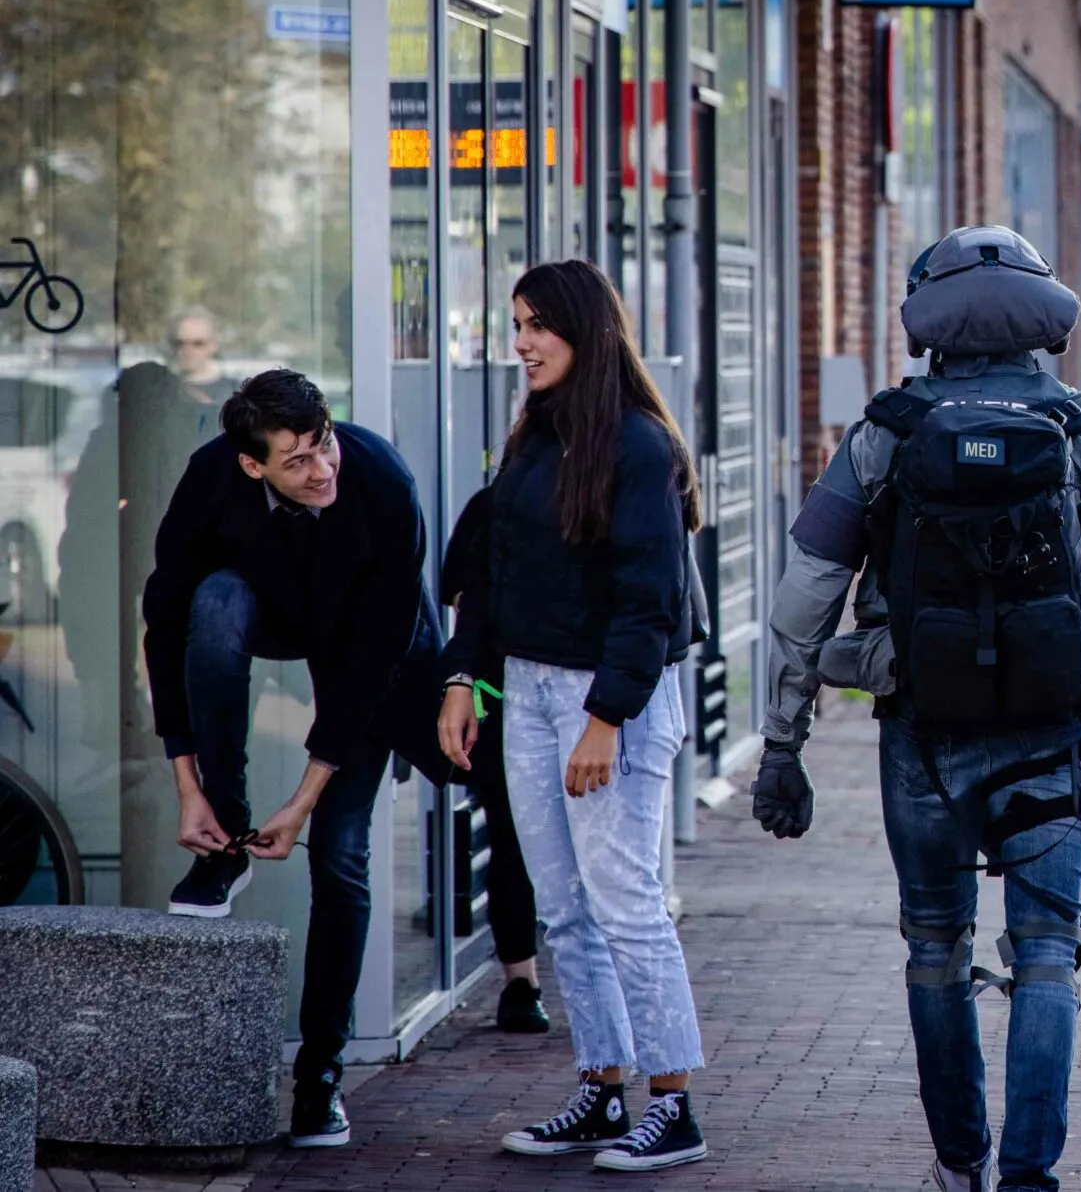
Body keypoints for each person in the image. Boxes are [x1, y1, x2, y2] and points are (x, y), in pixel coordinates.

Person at [753, 225, 1081, 1192]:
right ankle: (1030, 1177)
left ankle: (963, 1164)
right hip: (1055, 732)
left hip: (922, 733)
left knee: (934, 947)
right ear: (1043, 320)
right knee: (1046, 955)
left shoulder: (887, 432)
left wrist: (782, 746)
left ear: (931, 321)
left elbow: (802, 599)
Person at [437, 259, 708, 1172]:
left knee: (626, 905)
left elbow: (649, 599)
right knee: (563, 911)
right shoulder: (532, 440)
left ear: (586, 331)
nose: (521, 343)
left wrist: (606, 719)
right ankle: (601, 1086)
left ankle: (673, 1104)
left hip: (609, 701)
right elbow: (490, 574)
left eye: (537, 325)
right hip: (530, 690)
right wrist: (462, 680)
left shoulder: (638, 448)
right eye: (516, 324)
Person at [141, 369, 435, 1150]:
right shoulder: (212, 481)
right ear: (252, 465)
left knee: (339, 854)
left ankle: (321, 1079)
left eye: (324, 444)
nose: (321, 469)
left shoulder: (381, 487)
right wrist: (189, 787)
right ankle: (226, 839)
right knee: (212, 603)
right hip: (269, 606)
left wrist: (304, 799)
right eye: (296, 460)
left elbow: (370, 667)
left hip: (367, 641)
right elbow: (164, 625)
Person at [436, 486, 549, 1035]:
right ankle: (521, 981)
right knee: (512, 835)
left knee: (514, 837)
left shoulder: (496, 500)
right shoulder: (497, 503)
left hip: (573, 704)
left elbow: (456, 588)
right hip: (507, 695)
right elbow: (460, 591)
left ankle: (522, 984)